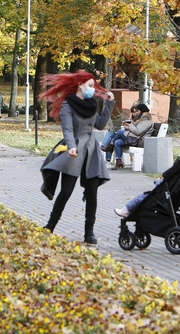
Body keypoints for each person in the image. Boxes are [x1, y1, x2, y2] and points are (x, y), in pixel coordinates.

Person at [39, 71, 115, 245]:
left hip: (92, 152)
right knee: (65, 192)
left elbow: (100, 124)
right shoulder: (68, 105)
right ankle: (51, 225)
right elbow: (67, 130)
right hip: (74, 150)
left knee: (92, 194)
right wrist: (71, 146)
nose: (92, 90)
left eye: (93, 87)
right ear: (80, 85)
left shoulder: (90, 105)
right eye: (90, 86)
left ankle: (89, 233)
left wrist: (109, 103)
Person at [108, 103, 153, 170]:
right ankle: (118, 162)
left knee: (120, 132)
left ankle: (110, 145)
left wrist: (130, 126)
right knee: (117, 142)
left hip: (140, 141)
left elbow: (138, 131)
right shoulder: (142, 118)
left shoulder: (146, 120)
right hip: (135, 138)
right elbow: (136, 128)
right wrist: (128, 126)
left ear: (142, 111)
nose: (136, 113)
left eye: (137, 111)